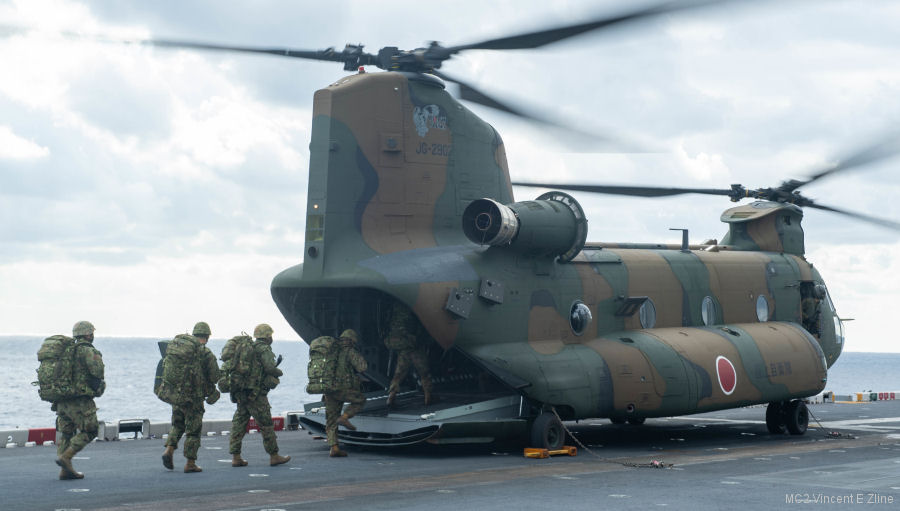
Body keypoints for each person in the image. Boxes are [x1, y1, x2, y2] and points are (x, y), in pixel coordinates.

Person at [161, 322, 221, 473]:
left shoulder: (181, 350)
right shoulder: (206, 353)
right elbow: (215, 377)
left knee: (178, 424)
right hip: (194, 398)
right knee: (193, 430)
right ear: (207, 337)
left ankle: (169, 450)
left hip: (177, 394)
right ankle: (190, 463)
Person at [228, 324, 291, 467]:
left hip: (242, 392)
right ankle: (274, 456)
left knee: (239, 424)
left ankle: (236, 457)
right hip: (256, 395)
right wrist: (278, 372)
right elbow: (269, 367)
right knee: (266, 425)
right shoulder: (263, 349)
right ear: (268, 336)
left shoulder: (247, 348)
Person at [55, 320, 105, 480]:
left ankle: (65, 471)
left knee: (67, 433)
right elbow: (97, 373)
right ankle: (67, 457)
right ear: (89, 334)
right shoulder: (88, 351)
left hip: (62, 400)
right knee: (90, 430)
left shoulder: (66, 350)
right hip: (80, 400)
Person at [324, 329, 368, 457]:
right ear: (352, 341)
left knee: (331, 420)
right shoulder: (349, 351)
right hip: (343, 389)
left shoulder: (330, 351)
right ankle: (344, 417)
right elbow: (362, 367)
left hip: (328, 389)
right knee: (360, 400)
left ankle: (334, 447)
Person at [384, 303, 432, 407]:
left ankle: (391, 396)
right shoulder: (413, 304)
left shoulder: (396, 306)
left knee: (400, 372)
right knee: (424, 372)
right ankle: (428, 397)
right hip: (411, 343)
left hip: (399, 342)